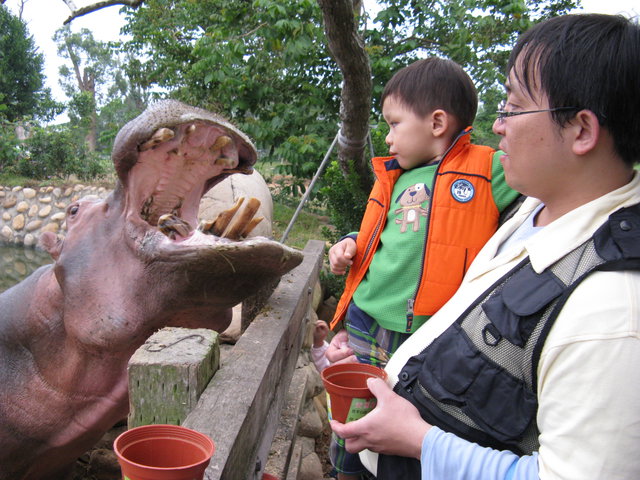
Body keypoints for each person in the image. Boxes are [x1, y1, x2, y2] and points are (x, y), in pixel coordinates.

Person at [330, 13, 640, 480]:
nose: (496, 126)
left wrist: (420, 442)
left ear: (581, 131)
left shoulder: (612, 309)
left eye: (513, 107)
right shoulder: (533, 211)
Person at [326, 57, 521, 480]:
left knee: (405, 413)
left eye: (394, 124)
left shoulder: (489, 168)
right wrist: (347, 245)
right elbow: (380, 235)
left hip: (429, 331)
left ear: (436, 123)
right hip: (367, 314)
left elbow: (559, 177)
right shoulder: (394, 177)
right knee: (352, 403)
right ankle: (341, 472)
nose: (388, 136)